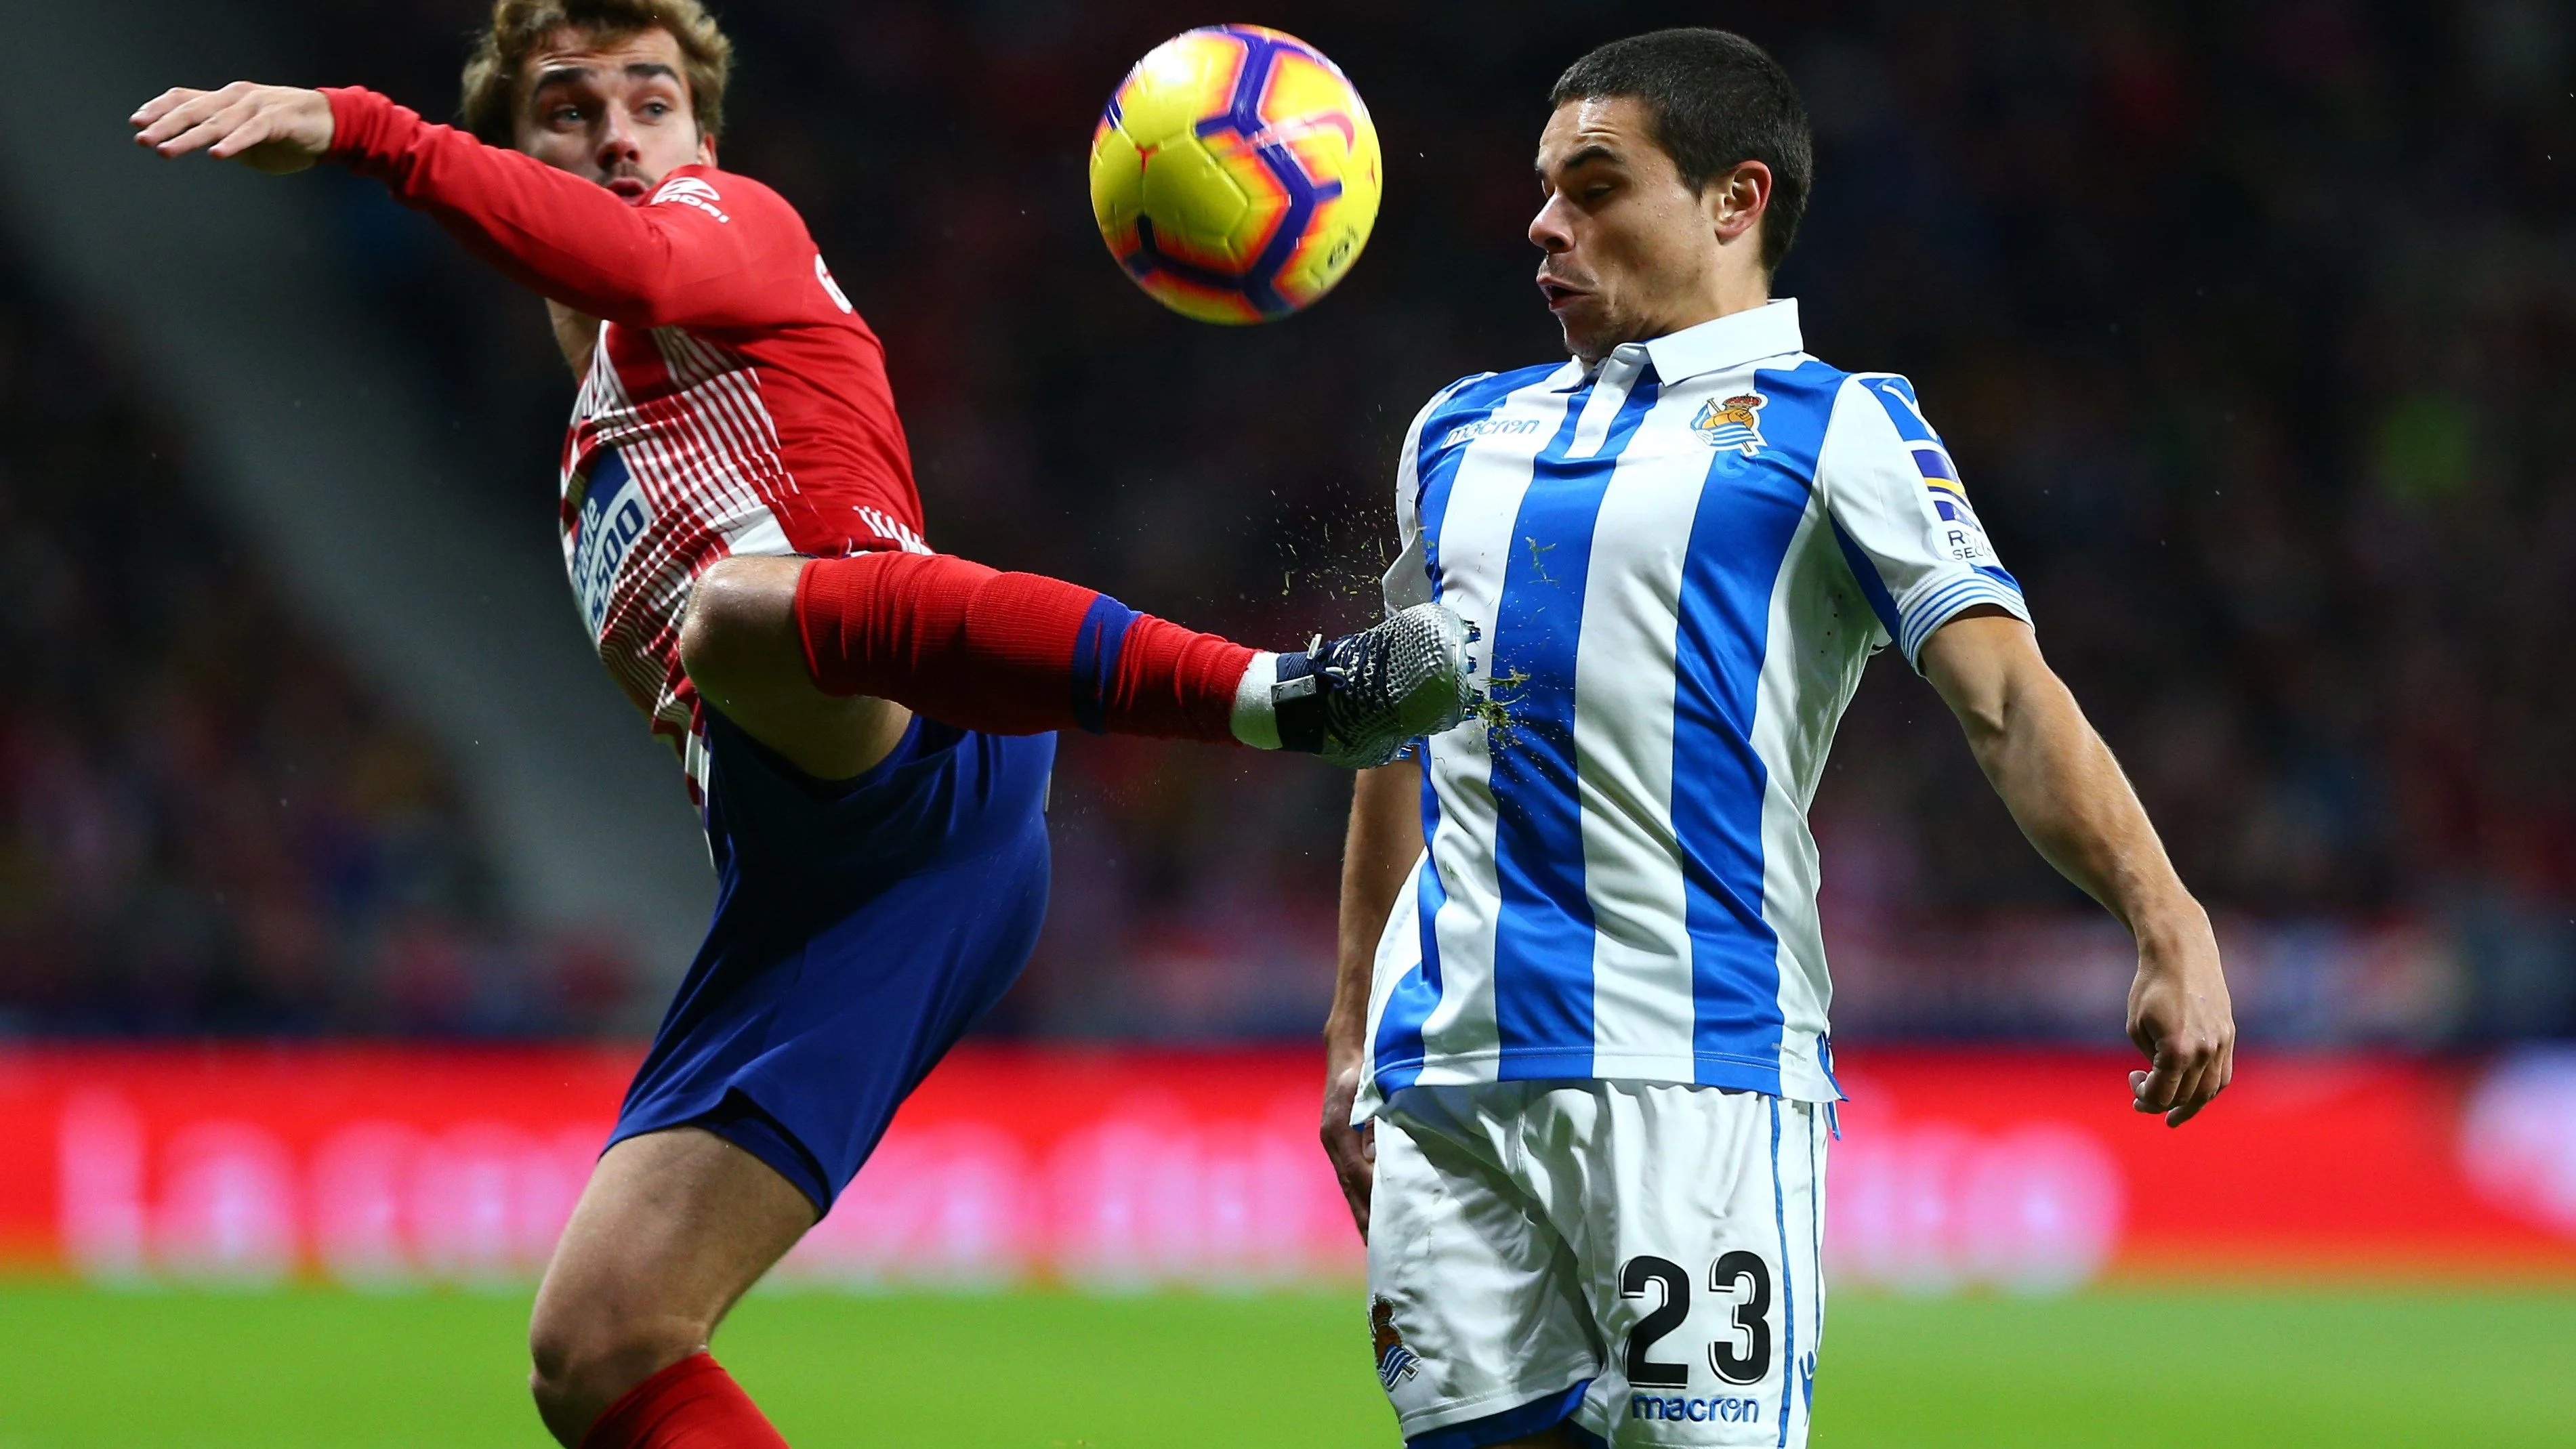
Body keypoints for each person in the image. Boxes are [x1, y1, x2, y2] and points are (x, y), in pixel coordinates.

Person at [129, 3, 1470, 1446]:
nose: (617, 137)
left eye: (648, 101)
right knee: (598, 1343)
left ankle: (1291, 694)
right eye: (566, 114)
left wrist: (364, 127)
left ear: (704, 137)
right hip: (811, 879)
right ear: (519, 153)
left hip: (918, 748)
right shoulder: (587, 453)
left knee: (732, 615)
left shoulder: (731, 224)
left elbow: (634, 259)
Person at [1318, 28, 2235, 1449]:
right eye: (1543, 187)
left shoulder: (1839, 430)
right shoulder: (1456, 431)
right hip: (1448, 1081)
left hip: (1696, 1077)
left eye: (1596, 184)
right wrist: (1346, 1037)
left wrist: (2162, 915)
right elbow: (1397, 734)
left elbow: (2004, 699)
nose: (1544, 222)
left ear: (1733, 201)